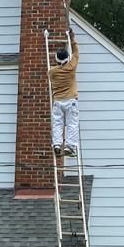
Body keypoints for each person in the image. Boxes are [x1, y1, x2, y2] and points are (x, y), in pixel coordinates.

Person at [49, 28, 79, 157]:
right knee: (72, 124)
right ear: (67, 59)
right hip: (71, 100)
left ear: (56, 60)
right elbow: (76, 53)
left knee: (57, 124)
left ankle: (56, 144)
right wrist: (72, 39)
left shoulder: (52, 72)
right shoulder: (71, 67)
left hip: (58, 102)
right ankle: (70, 147)